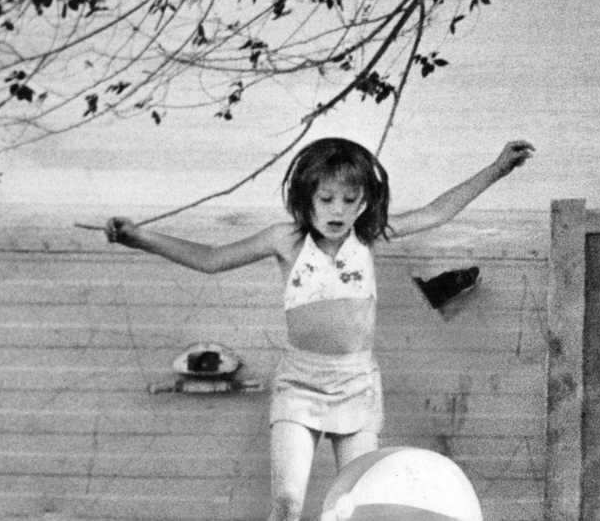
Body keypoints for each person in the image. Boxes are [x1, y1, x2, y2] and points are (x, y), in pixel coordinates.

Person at [104, 137, 534, 521]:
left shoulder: (369, 238)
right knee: (288, 505)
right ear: (305, 199)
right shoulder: (284, 240)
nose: (337, 210)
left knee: (358, 506)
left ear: (365, 202)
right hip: (300, 386)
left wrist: (498, 167)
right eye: (326, 199)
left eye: (350, 200)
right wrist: (139, 238)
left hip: (357, 385)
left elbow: (438, 211)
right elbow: (212, 259)